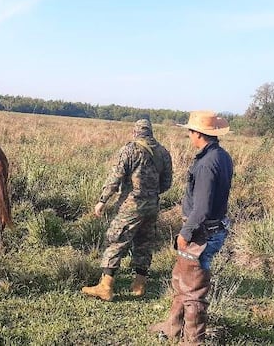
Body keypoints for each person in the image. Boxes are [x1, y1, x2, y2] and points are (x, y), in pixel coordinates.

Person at [148, 110, 233, 345]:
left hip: (201, 233)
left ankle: (192, 340)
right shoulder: (221, 156)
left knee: (193, 291)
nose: (189, 135)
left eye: (190, 131)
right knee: (181, 279)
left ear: (198, 133)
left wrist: (185, 233)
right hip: (210, 229)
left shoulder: (206, 163)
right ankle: (172, 327)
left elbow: (202, 207)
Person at [81, 117, 173, 302]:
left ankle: (106, 286)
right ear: (151, 132)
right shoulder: (163, 152)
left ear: (135, 132)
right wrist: (150, 193)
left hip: (130, 207)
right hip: (152, 206)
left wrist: (102, 200)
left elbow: (116, 177)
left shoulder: (129, 150)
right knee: (144, 243)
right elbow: (167, 183)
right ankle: (139, 284)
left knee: (116, 240)